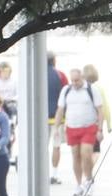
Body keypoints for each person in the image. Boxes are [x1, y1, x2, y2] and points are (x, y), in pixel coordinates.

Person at [57, 68, 102, 196]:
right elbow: (60, 110)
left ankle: (88, 180)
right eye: (72, 80)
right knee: (75, 156)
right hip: (72, 127)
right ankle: (78, 184)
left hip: (88, 127)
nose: (74, 83)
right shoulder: (66, 90)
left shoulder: (91, 90)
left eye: (77, 80)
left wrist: (100, 129)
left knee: (86, 154)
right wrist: (56, 128)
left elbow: (100, 109)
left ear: (82, 78)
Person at [46, 51, 67, 184]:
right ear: (54, 60)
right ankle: (54, 174)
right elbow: (66, 96)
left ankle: (41, 173)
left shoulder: (35, 74)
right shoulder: (61, 75)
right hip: (57, 119)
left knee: (41, 147)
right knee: (56, 146)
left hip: (40, 119)